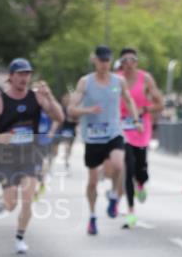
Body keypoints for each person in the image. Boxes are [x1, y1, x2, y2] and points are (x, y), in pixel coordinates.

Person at [0, 59, 63, 253]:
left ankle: (20, 237)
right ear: (11, 76)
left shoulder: (37, 98)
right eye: (20, 74)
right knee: (10, 204)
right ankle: (2, 201)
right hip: (5, 158)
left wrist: (50, 96)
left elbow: (59, 117)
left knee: (27, 197)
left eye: (27, 74)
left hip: (29, 155)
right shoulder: (0, 101)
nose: (24, 78)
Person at [67, 45, 139, 236]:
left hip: (113, 132)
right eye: (101, 60)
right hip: (92, 136)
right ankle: (92, 216)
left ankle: (114, 196)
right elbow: (71, 109)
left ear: (110, 61)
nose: (104, 64)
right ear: (95, 60)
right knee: (92, 181)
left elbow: (129, 100)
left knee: (118, 163)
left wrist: (136, 119)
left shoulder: (119, 81)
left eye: (107, 60)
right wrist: (87, 111)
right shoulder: (85, 82)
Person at [116, 47, 164, 228]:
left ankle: (141, 183)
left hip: (141, 128)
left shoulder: (146, 78)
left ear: (136, 62)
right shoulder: (116, 79)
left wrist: (144, 110)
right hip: (123, 128)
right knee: (128, 167)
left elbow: (160, 103)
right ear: (121, 63)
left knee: (140, 168)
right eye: (125, 60)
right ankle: (130, 212)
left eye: (132, 60)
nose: (129, 64)